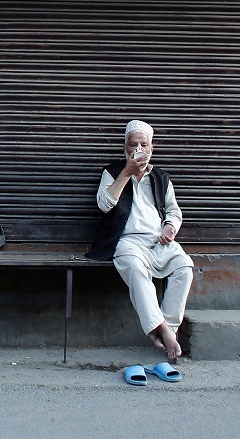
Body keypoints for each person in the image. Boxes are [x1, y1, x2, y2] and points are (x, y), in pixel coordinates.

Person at [86, 119, 194, 360]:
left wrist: (170, 227)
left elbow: (174, 211)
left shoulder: (161, 178)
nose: (139, 149)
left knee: (184, 267)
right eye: (134, 144)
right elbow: (104, 205)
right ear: (125, 147)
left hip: (158, 242)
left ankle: (168, 328)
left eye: (144, 145)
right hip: (126, 242)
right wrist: (127, 172)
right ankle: (164, 331)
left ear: (151, 148)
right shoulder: (112, 172)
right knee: (135, 269)